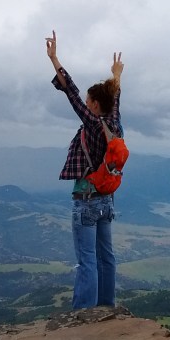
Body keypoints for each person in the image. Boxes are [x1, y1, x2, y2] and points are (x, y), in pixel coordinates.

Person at [46, 30, 124, 309]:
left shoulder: (92, 124)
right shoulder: (114, 125)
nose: (86, 104)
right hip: (107, 201)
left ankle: (83, 318)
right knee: (107, 256)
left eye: (90, 101)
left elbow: (71, 92)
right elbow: (114, 101)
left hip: (87, 201)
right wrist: (116, 77)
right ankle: (107, 307)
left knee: (87, 260)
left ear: (93, 105)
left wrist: (55, 59)